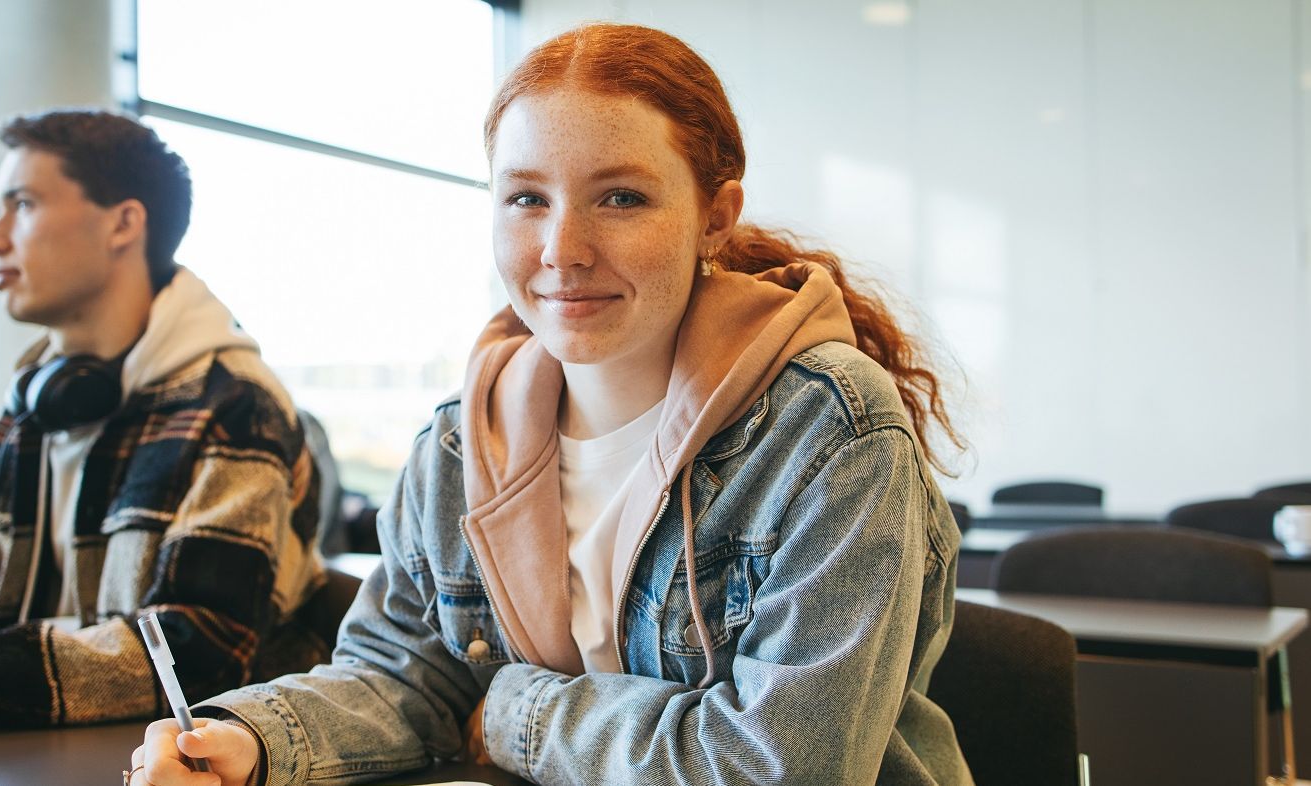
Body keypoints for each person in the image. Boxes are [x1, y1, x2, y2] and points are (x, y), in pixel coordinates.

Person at [134, 22, 971, 786]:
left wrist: (513, 711)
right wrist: (248, 739)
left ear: (715, 219)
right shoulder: (463, 442)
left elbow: (780, 768)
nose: (561, 251)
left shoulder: (829, 430)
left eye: (621, 198)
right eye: (527, 198)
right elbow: (405, 677)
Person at [0, 110, 326, 728]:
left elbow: (196, 653)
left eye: (22, 204)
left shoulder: (236, 407)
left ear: (124, 223)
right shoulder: (37, 402)